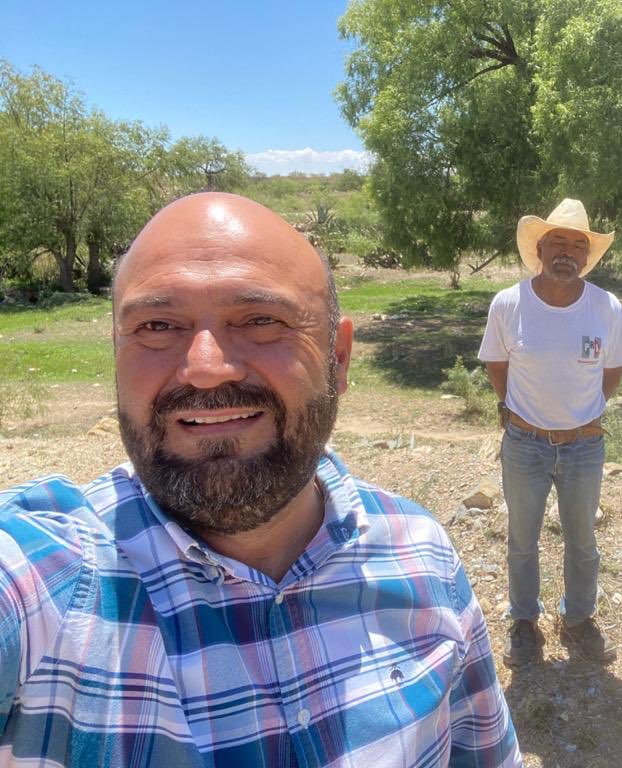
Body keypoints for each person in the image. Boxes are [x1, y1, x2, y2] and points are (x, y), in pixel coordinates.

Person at [0, 193, 522, 767]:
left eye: (259, 321)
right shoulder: (50, 576)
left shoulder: (419, 552)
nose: (204, 366)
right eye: (156, 325)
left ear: (339, 359)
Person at [479, 198, 622, 667]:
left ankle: (579, 619)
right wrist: (513, 412)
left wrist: (586, 414)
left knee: (582, 539)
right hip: (524, 445)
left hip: (584, 446)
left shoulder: (606, 307)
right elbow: (497, 365)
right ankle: (524, 623)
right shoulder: (509, 303)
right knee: (522, 538)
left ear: (586, 257)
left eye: (576, 245)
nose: (566, 252)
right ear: (540, 250)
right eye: (557, 242)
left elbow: (612, 371)